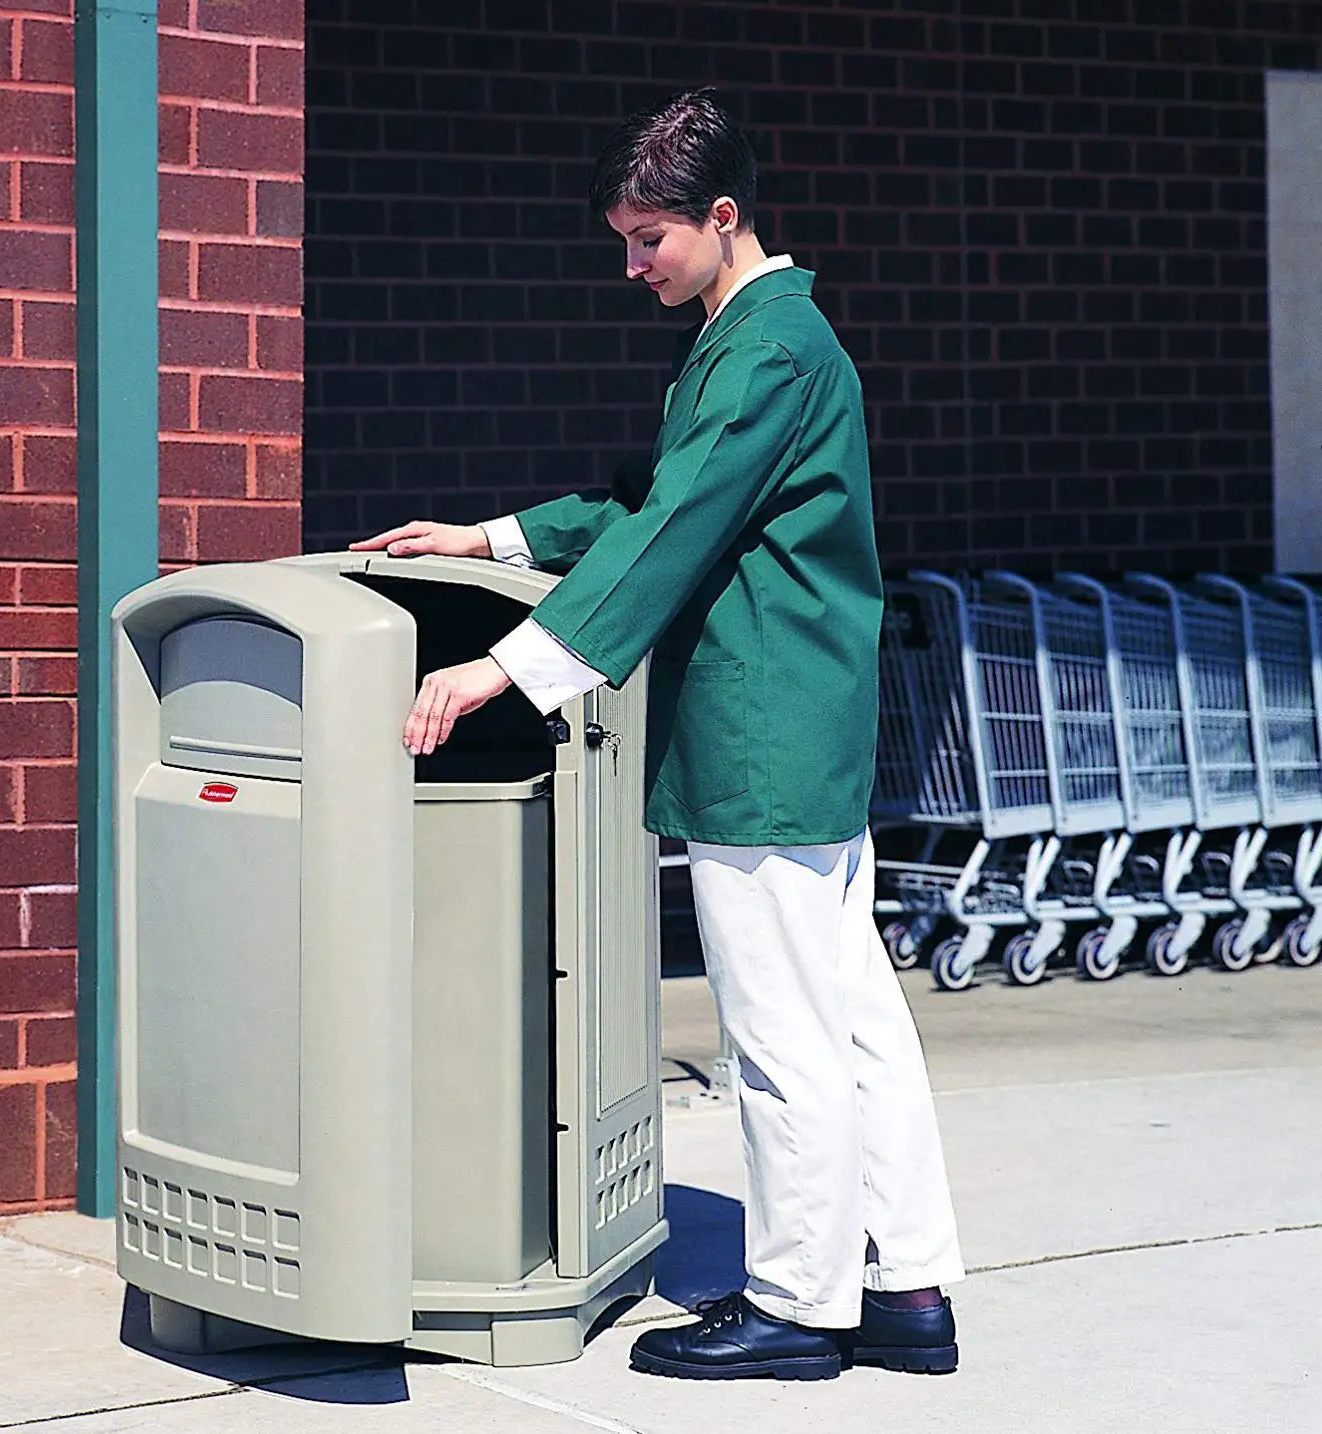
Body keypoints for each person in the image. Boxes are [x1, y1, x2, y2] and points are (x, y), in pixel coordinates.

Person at [352, 88, 964, 1382]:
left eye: (648, 239)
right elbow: (655, 499)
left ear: (722, 215)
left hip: (761, 736)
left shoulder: (765, 351)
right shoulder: (758, 340)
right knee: (852, 1015)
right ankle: (906, 1284)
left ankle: (803, 1303)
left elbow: (675, 521)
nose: (632, 265)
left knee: (781, 1032)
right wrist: (490, 538)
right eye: (625, 240)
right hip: (803, 729)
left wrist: (503, 668)